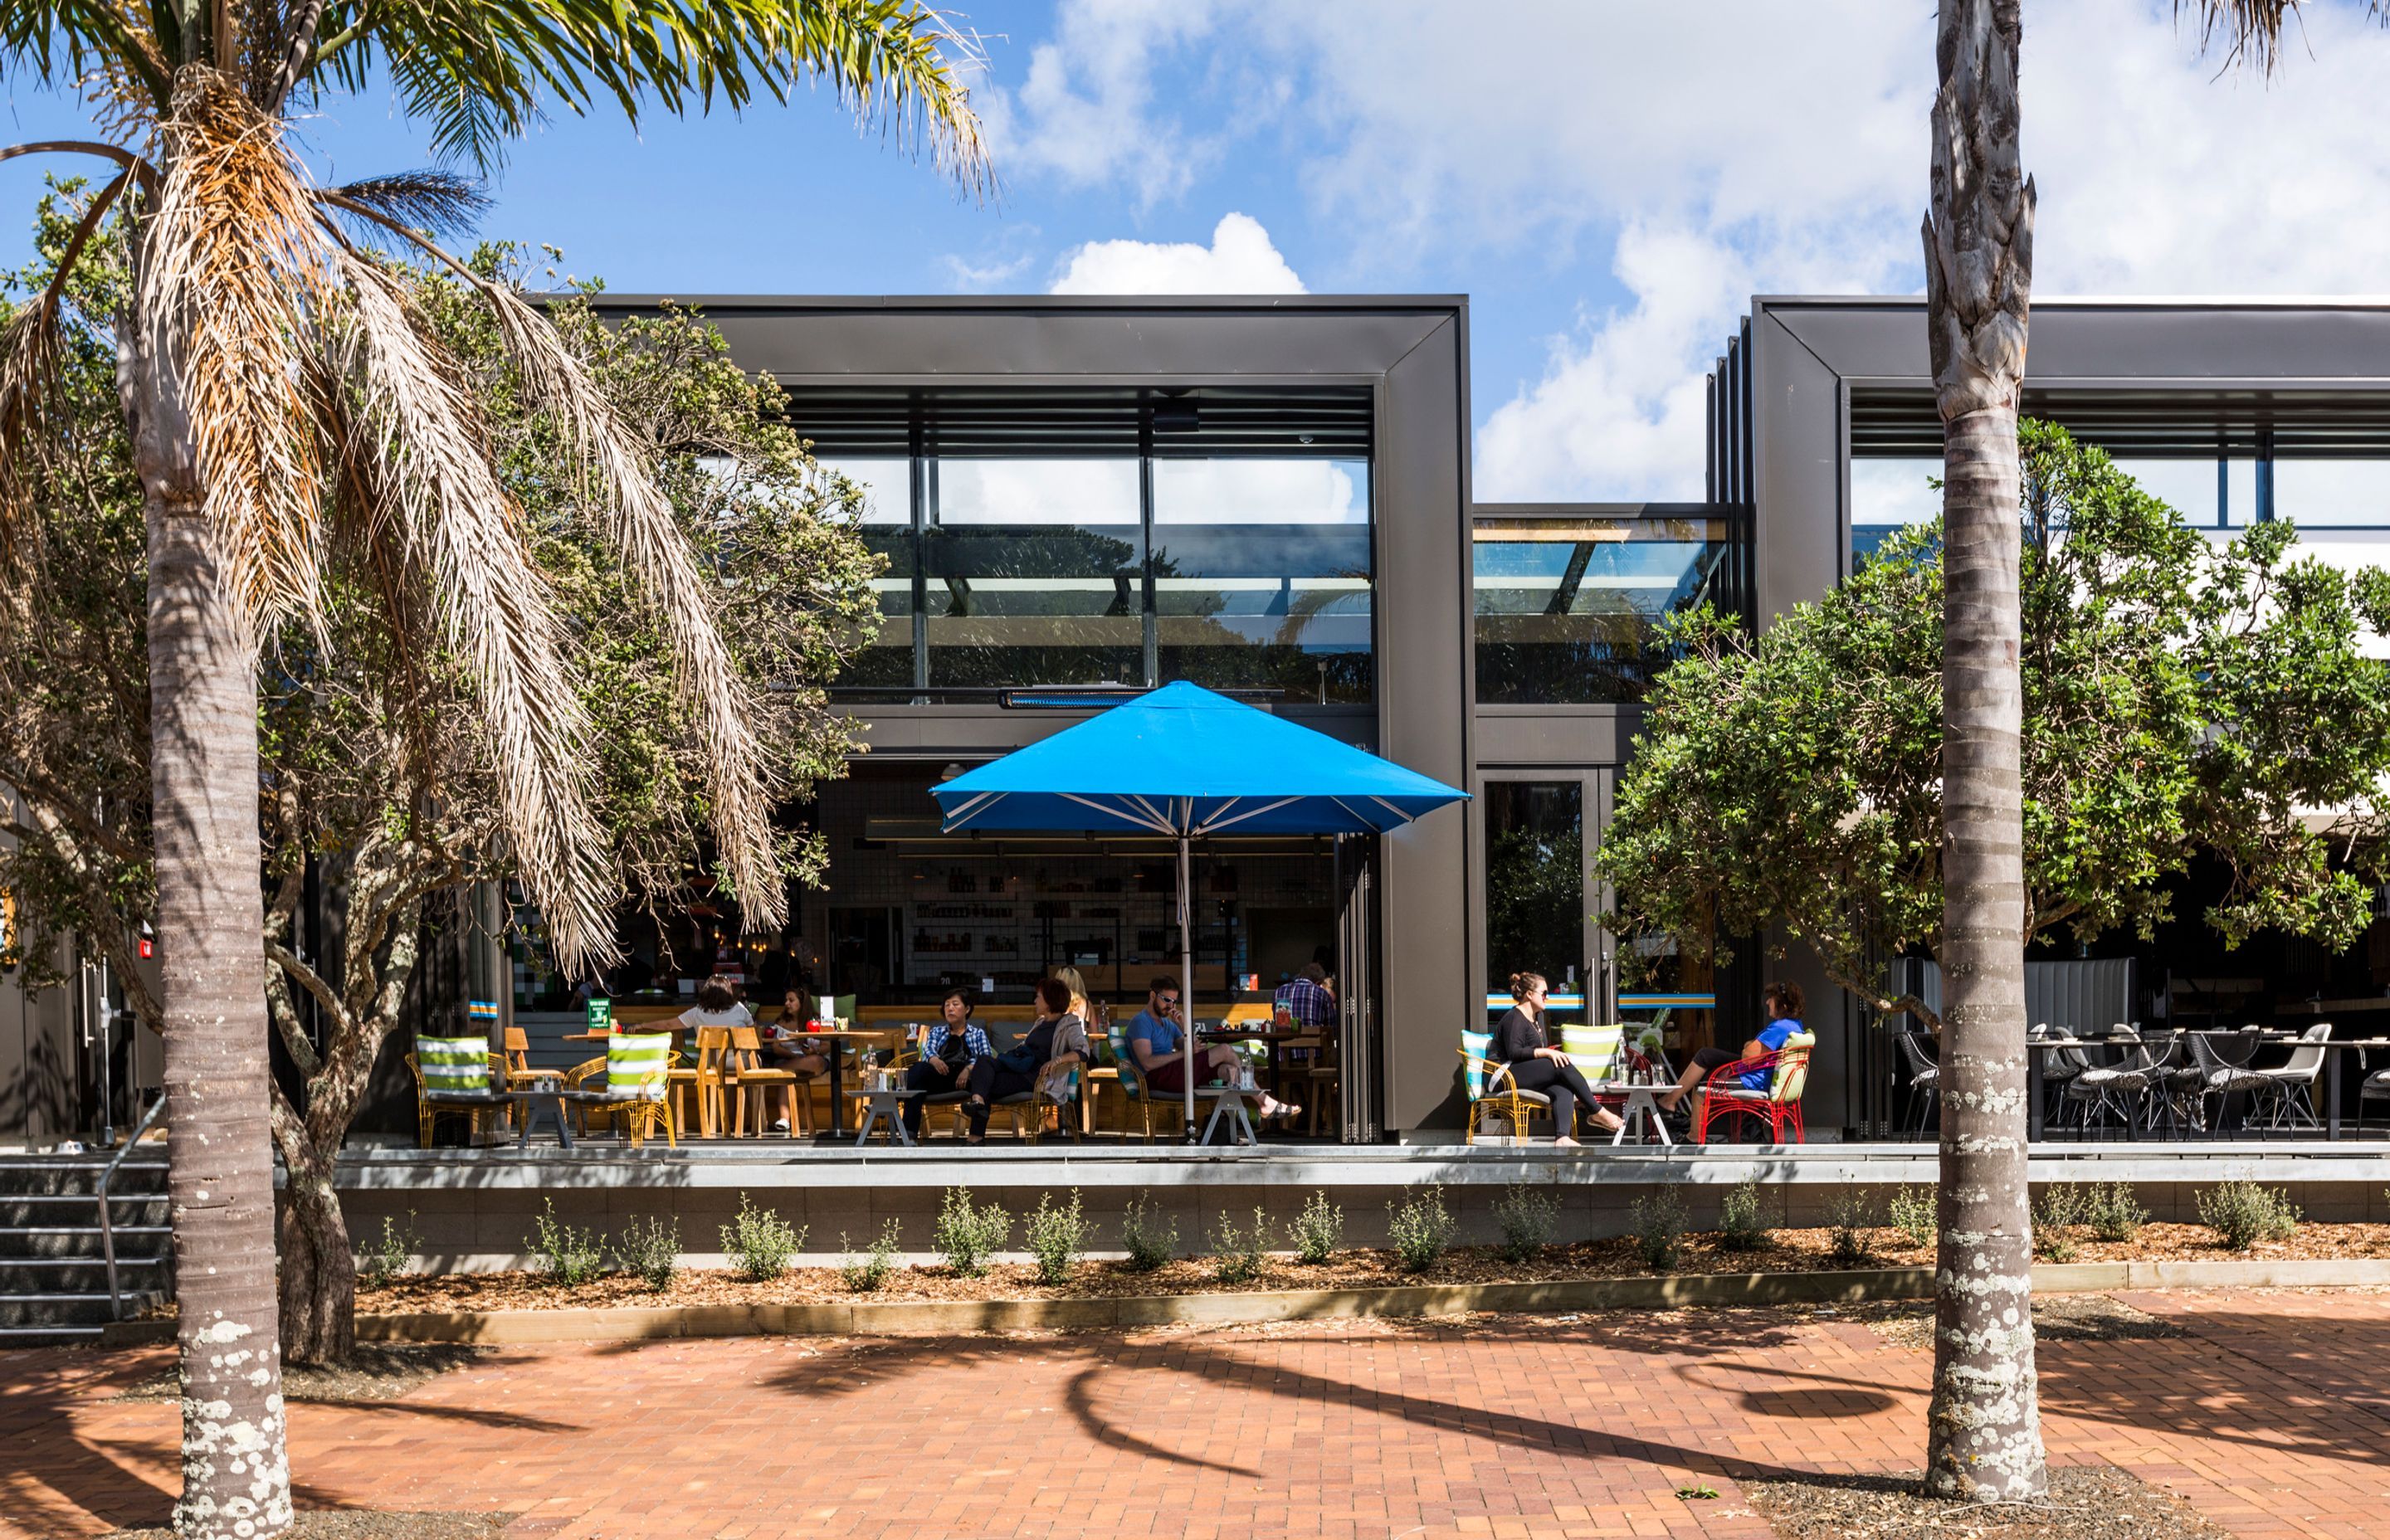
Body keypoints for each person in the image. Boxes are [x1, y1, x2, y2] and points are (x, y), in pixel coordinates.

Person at [1126, 974, 1299, 1123]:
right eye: (1166, 1000)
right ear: (1152, 995)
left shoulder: (1168, 1024)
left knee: (1229, 1070)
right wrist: (1185, 1053)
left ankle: (1228, 1124)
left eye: (1174, 1001)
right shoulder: (1141, 1022)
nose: (1171, 1005)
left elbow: (1197, 1050)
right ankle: (1263, 1103)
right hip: (1154, 1078)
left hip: (1175, 1073)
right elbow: (1147, 1063)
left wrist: (1184, 1025)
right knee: (1224, 1049)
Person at [1492, 971, 1623, 1145]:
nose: (1547, 998)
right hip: (1503, 1074)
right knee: (1558, 1063)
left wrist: (1547, 1053)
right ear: (1529, 995)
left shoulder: (1538, 1017)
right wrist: (1547, 1052)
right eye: (1544, 994)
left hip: (1523, 1073)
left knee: (1563, 1086)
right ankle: (1596, 1110)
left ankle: (1562, 1137)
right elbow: (1514, 1053)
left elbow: (1536, 1053)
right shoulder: (1514, 1017)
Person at [962, 977, 1094, 1143]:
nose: (1035, 1000)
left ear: (1050, 1000)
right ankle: (977, 1102)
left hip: (1035, 1077)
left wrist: (1057, 1060)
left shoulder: (1069, 1025)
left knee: (983, 1083)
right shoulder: (1040, 1023)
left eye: (1038, 996)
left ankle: (976, 1134)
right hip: (1019, 1067)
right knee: (984, 1061)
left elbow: (1083, 1052)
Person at [1656, 980, 1807, 1118]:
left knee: (1702, 1086)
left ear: (1783, 1005)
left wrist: (1749, 1046)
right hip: (1760, 1074)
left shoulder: (1780, 1028)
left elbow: (1747, 1055)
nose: (1767, 1002)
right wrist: (1751, 1045)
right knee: (1706, 1055)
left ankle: (1692, 1135)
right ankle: (1670, 1101)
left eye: (1772, 999)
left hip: (1754, 1080)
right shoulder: (1795, 1025)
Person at [904, 987, 989, 1139]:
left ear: (967, 1009)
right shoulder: (938, 1032)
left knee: (982, 1080)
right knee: (919, 1072)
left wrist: (969, 1069)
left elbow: (986, 1060)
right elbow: (928, 1049)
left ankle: (890, 1099)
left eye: (955, 1004)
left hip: (965, 1080)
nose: (950, 1008)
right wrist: (934, 1059)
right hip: (941, 1075)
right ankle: (909, 1135)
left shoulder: (977, 1034)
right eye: (947, 1005)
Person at [1273, 962, 1336, 1027]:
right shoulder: (1321, 993)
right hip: (1313, 1036)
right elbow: (1330, 1025)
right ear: (1318, 983)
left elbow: (1278, 1022)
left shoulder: (1280, 991)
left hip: (1286, 1036)